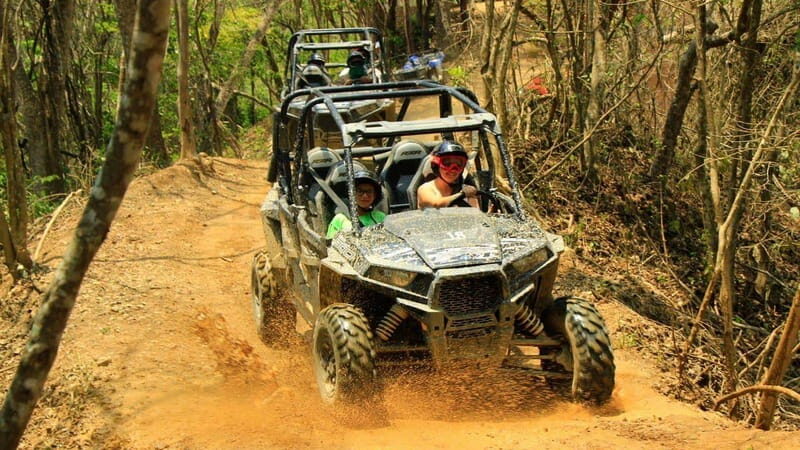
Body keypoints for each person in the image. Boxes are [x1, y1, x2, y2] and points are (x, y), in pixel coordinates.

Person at [417, 140, 478, 209]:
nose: (453, 169)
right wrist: (462, 194)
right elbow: (436, 204)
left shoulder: (467, 189)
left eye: (458, 164)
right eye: (447, 163)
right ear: (436, 166)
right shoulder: (425, 189)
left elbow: (476, 214)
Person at [326, 169, 386, 238]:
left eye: (369, 191)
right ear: (352, 194)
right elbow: (330, 246)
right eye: (360, 191)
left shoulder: (381, 217)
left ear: (375, 195)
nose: (365, 196)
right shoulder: (339, 219)